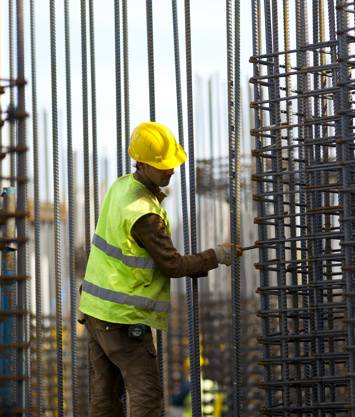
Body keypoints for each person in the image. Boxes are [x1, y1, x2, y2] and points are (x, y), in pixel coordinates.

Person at [79, 121, 241, 417]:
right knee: (147, 395)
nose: (171, 170)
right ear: (141, 163)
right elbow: (173, 265)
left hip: (95, 310)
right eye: (163, 165)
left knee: (105, 398)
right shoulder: (144, 214)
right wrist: (217, 255)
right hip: (122, 319)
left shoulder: (121, 187)